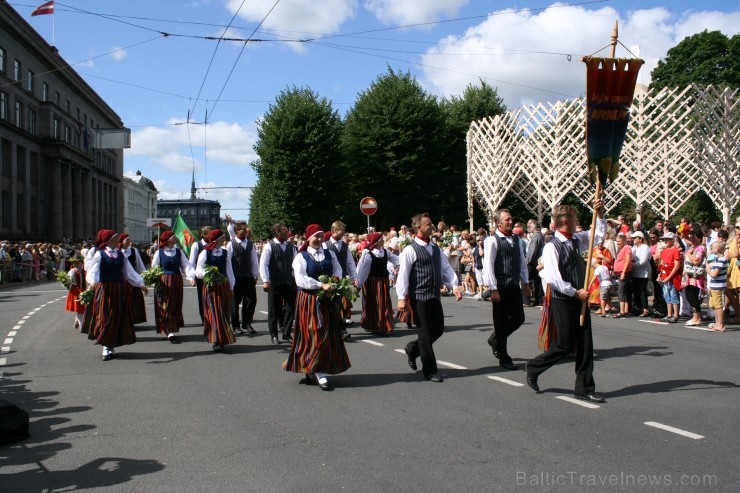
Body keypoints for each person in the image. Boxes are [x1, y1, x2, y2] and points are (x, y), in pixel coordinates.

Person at [525, 201, 606, 403]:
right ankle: (534, 367)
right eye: (574, 218)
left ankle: (584, 388)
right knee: (564, 344)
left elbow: (598, 235)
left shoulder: (577, 239)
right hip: (564, 300)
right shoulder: (552, 247)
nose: (577, 221)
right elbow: (553, 278)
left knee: (586, 345)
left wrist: (600, 213)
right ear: (565, 221)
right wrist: (574, 292)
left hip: (581, 299)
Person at [396, 213, 462, 383]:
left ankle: (412, 348)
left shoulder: (435, 248)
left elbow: (445, 268)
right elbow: (403, 275)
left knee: (438, 329)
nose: (432, 226)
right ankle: (430, 370)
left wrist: (454, 285)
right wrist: (401, 297)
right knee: (425, 332)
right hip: (418, 297)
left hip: (433, 295)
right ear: (419, 228)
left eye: (431, 223)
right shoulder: (410, 250)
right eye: (428, 224)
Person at [285, 224, 351, 391]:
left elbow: (338, 271)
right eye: (316, 236)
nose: (320, 239)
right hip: (309, 299)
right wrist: (321, 285)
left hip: (328, 299)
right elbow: (300, 279)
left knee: (328, 332)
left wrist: (335, 283)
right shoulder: (301, 257)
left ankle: (319, 368)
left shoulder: (329, 254)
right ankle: (315, 370)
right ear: (309, 238)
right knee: (314, 332)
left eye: (322, 236)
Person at [86, 229, 148, 361]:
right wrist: (92, 282)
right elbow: (93, 270)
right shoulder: (100, 254)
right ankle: (106, 346)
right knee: (105, 316)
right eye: (114, 238)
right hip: (105, 288)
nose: (117, 239)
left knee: (117, 316)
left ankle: (110, 345)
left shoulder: (121, 255)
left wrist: (140, 283)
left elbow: (129, 272)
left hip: (119, 288)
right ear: (108, 240)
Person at [482, 208, 530, 370]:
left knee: (518, 318)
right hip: (500, 285)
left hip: (513, 284)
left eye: (511, 219)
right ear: (498, 223)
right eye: (506, 220)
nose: (510, 222)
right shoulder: (492, 240)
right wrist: (493, 288)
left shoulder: (516, 239)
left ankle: (495, 339)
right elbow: (488, 265)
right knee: (501, 322)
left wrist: (526, 283)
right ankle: (503, 356)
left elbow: (522, 262)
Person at [195, 229, 236, 352]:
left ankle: (223, 338)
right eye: (222, 237)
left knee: (223, 311)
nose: (224, 239)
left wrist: (231, 286)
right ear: (216, 239)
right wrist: (209, 274)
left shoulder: (225, 252)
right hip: (210, 287)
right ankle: (215, 339)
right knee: (213, 312)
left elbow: (229, 270)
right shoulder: (205, 253)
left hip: (223, 286)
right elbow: (198, 271)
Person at [258, 223, 297, 345]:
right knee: (274, 310)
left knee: (291, 308)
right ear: (277, 232)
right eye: (285, 230)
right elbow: (263, 264)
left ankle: (286, 333)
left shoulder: (291, 246)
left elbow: (296, 264)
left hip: (289, 282)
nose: (287, 231)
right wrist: (265, 280)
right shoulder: (269, 246)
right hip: (275, 282)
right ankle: (274, 335)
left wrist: (296, 279)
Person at [152, 230, 193, 343]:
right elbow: (155, 268)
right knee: (165, 305)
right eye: (173, 237)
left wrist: (190, 277)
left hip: (176, 280)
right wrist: (155, 279)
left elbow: (186, 266)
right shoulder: (159, 253)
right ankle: (168, 329)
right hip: (163, 281)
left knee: (174, 304)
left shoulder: (179, 252)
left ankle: (172, 328)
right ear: (168, 239)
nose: (175, 238)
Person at [356, 232, 399, 336]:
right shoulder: (368, 253)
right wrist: (359, 285)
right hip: (372, 282)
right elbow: (362, 270)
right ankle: (376, 325)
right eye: (381, 239)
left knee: (384, 303)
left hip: (383, 281)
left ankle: (384, 325)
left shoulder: (385, 252)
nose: (383, 240)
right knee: (374, 303)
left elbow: (396, 259)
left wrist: (400, 265)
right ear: (376, 242)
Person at [323, 221, 358, 339]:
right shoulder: (325, 245)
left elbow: (350, 262)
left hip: (341, 279)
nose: (343, 232)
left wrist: (354, 277)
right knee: (329, 306)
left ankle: (341, 331)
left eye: (343, 230)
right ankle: (330, 330)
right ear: (334, 230)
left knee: (338, 305)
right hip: (328, 280)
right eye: (341, 230)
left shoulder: (345, 246)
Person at [225, 215, 259, 335]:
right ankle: (235, 325)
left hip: (248, 276)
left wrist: (255, 274)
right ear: (237, 231)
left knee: (251, 300)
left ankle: (247, 323)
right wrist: (229, 278)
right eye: (243, 229)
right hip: (236, 277)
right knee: (235, 302)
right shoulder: (231, 244)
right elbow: (228, 262)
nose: (245, 231)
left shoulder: (250, 244)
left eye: (246, 229)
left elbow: (254, 260)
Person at [119, 233, 147, 325]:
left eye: (129, 240)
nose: (129, 242)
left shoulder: (133, 251)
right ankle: (124, 319)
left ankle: (132, 319)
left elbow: (139, 265)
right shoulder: (118, 251)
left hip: (133, 278)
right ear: (121, 241)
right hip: (121, 279)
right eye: (126, 240)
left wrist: (144, 278)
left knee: (133, 300)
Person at [189, 226, 212, 324]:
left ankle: (212, 316)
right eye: (209, 233)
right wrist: (192, 276)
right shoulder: (197, 245)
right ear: (203, 234)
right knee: (202, 297)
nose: (211, 235)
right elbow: (192, 261)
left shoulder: (213, 244)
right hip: (200, 276)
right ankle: (204, 318)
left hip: (212, 275)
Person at [657, 232, 682, 323]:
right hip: (664, 276)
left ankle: (676, 315)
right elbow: (662, 264)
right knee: (667, 295)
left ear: (672, 240)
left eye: (667, 239)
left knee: (673, 295)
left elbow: (677, 265)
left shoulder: (675, 250)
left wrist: (669, 277)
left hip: (672, 276)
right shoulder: (664, 251)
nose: (665, 241)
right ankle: (669, 314)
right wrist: (660, 275)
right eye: (664, 240)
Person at [707, 240, 728, 332]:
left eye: (713, 247)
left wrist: (708, 270)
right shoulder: (717, 259)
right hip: (714, 285)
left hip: (718, 286)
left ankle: (721, 324)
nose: (712, 248)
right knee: (713, 305)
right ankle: (717, 323)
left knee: (718, 305)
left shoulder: (722, 260)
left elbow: (714, 274)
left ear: (718, 249)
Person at [630, 231, 651, 317]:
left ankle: (645, 309)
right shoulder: (633, 248)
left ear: (640, 239)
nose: (633, 239)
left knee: (642, 291)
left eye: (635, 238)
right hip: (635, 273)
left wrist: (631, 264)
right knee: (636, 291)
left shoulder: (645, 247)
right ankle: (638, 308)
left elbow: (643, 261)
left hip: (643, 273)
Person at [612, 233, 633, 318]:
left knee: (621, 292)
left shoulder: (627, 247)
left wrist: (623, 272)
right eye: (617, 241)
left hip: (624, 273)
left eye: (619, 241)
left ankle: (622, 311)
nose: (618, 243)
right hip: (620, 272)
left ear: (624, 241)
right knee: (624, 292)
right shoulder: (621, 249)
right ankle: (625, 310)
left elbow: (628, 260)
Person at [64, 256, 86, 330]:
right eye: (74, 263)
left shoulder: (86, 270)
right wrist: (67, 282)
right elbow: (68, 282)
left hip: (85, 291)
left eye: (77, 263)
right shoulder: (72, 271)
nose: (76, 264)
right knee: (80, 308)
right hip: (76, 292)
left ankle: (77, 320)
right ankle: (81, 325)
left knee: (85, 308)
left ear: (81, 262)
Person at [526, 221, 545, 306]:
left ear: (536, 227)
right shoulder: (540, 235)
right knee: (538, 282)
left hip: (534, 262)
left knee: (527, 280)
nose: (530, 226)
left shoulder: (536, 236)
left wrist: (528, 260)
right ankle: (538, 299)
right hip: (537, 261)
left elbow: (533, 250)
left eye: (532, 225)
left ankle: (528, 299)